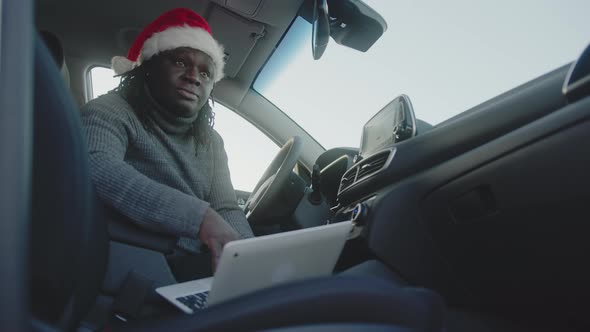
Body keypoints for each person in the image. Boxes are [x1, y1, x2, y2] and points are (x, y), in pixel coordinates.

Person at [81, 8, 254, 279]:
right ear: (149, 66)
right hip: (144, 260)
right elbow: (96, 166)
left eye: (206, 73)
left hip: (199, 262)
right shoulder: (111, 109)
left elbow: (226, 207)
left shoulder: (211, 141)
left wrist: (245, 253)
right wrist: (199, 219)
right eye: (180, 62)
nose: (194, 77)